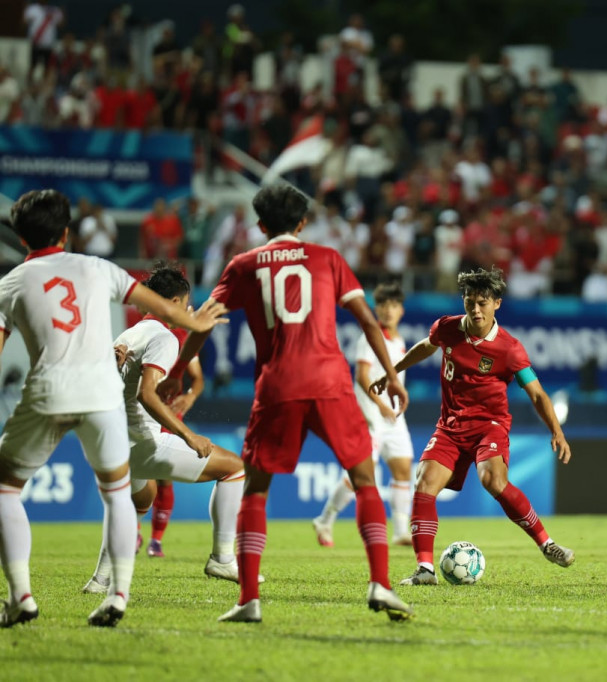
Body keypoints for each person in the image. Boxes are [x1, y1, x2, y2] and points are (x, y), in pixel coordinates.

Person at [156, 185, 413, 623]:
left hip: (277, 386)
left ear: (260, 226)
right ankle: (381, 585)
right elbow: (367, 319)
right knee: (365, 479)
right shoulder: (327, 258)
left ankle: (249, 600)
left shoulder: (244, 264)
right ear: (302, 223)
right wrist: (392, 374)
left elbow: (205, 320)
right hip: (330, 382)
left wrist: (180, 367)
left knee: (256, 489)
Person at [0, 189, 226, 628]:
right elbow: (158, 306)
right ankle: (118, 594)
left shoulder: (9, 284)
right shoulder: (98, 268)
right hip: (102, 396)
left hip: (47, 390)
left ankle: (21, 596)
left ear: (21, 237)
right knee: (117, 491)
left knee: (6, 489)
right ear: (66, 232)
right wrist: (194, 322)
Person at [370, 267, 575, 586]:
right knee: (424, 484)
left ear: (497, 304)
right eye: (469, 302)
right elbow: (426, 346)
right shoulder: (447, 328)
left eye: (482, 302)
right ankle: (425, 570)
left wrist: (556, 431)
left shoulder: (509, 349)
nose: (475, 309)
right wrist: (393, 372)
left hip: (489, 426)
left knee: (493, 481)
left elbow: (536, 393)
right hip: (450, 426)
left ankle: (546, 544)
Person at [82, 265, 249, 594]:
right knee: (234, 469)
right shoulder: (163, 337)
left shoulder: (128, 335)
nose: (188, 311)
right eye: (185, 304)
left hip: (111, 444)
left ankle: (101, 580)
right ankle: (222, 557)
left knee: (141, 500)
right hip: (142, 444)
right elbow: (147, 395)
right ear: (173, 301)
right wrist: (189, 435)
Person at [313, 282, 414, 548]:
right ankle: (325, 519)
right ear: (376, 309)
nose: (388, 311)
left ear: (401, 310)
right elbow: (361, 375)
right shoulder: (369, 338)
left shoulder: (400, 341)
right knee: (360, 473)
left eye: (393, 305)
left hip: (394, 417)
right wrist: (379, 404)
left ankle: (401, 530)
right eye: (383, 305)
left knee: (403, 468)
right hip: (370, 418)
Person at [146, 324, 206, 559]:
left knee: (163, 478)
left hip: (169, 415)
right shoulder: (146, 335)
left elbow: (198, 378)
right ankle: (134, 532)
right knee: (139, 478)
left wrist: (190, 396)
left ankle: (156, 539)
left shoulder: (182, 340)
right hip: (142, 413)